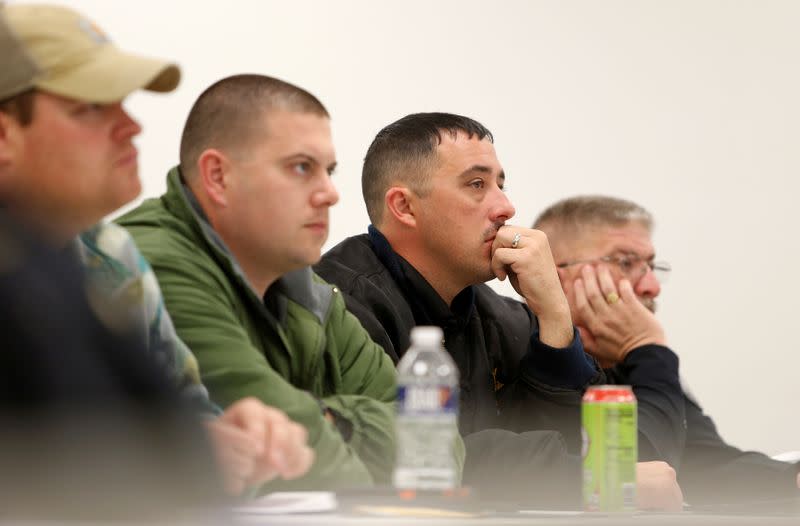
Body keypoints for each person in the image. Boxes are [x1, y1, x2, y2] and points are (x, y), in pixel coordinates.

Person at [0, 3, 313, 502]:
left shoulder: (107, 252)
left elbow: (175, 418)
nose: (132, 127)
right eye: (90, 107)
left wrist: (228, 440)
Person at [315, 112, 682, 509]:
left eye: (501, 185)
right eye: (477, 185)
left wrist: (555, 317)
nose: (506, 207)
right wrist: (584, 480)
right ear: (404, 206)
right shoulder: (340, 304)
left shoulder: (506, 317)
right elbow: (418, 459)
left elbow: (607, 451)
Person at [118, 74, 401, 490]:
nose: (329, 193)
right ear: (217, 176)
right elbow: (299, 463)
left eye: (330, 171)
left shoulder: (311, 290)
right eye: (302, 167)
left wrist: (330, 419)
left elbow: (434, 439)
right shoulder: (154, 261)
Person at [534, 194, 800, 507]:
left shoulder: (629, 358)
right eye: (625, 263)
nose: (652, 286)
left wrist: (791, 479)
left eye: (651, 266)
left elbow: (704, 466)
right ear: (556, 276)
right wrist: (648, 349)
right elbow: (634, 478)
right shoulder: (530, 357)